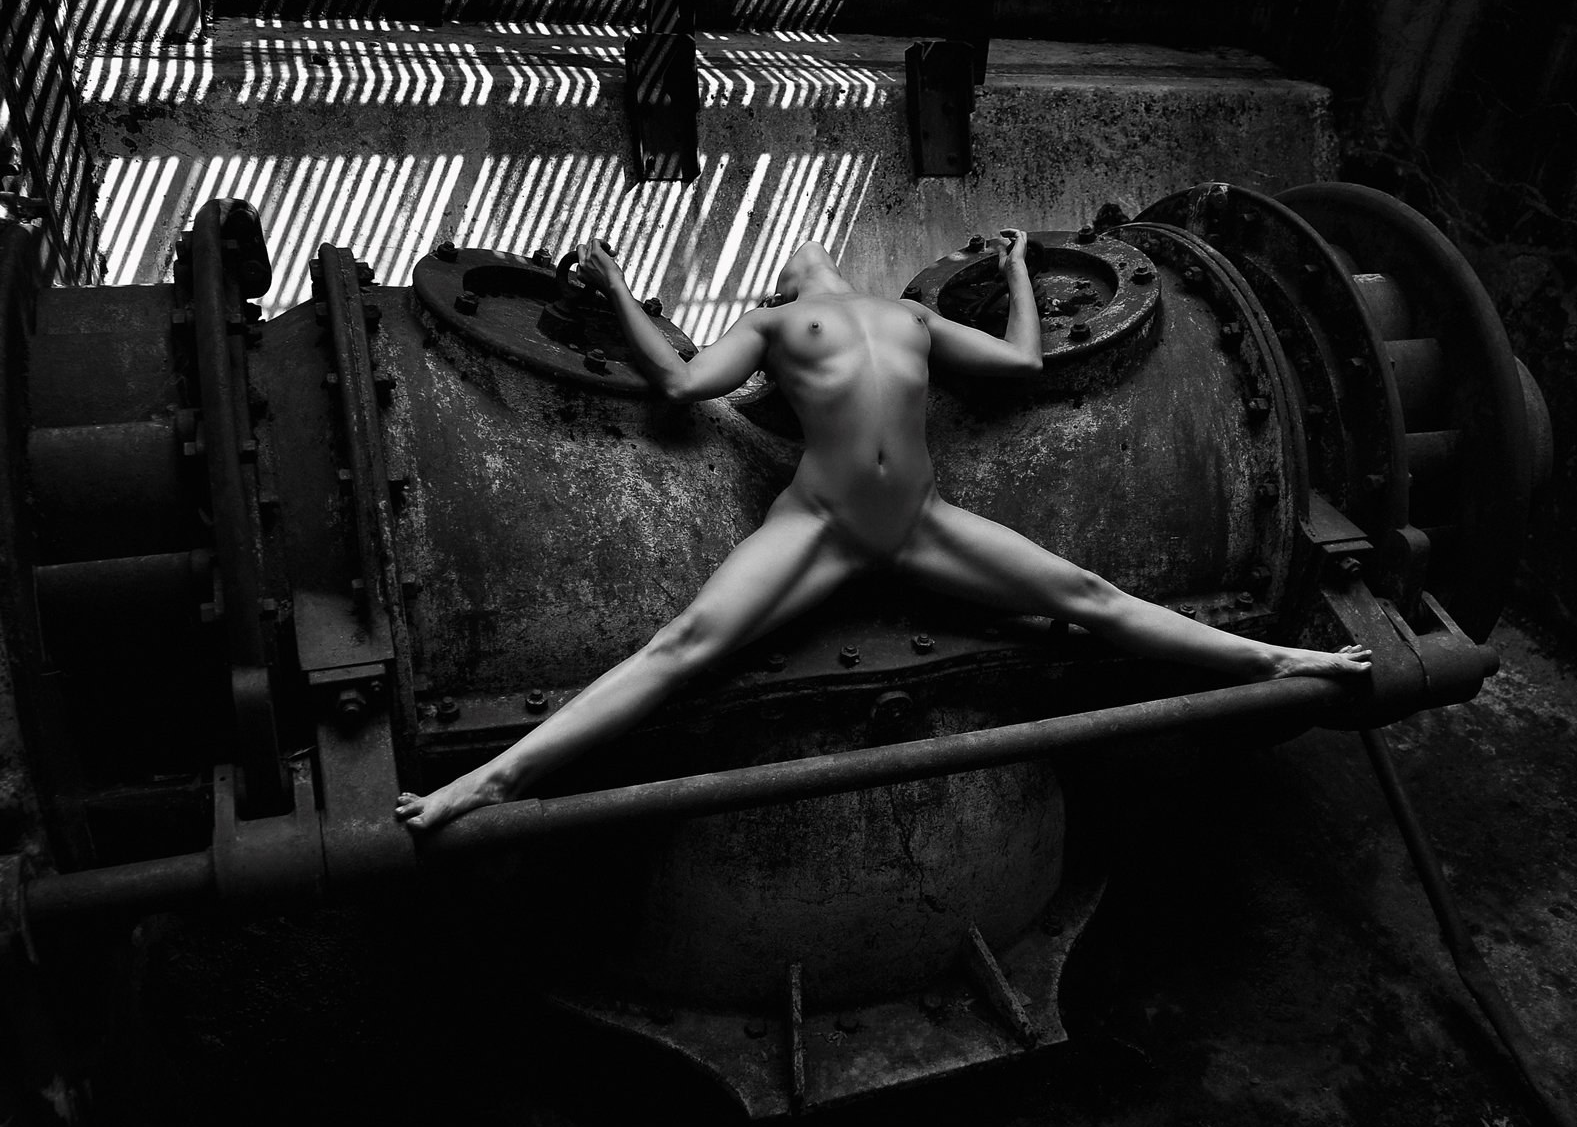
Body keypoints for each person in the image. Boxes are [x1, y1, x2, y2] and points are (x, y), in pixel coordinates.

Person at [395, 230, 1369, 831]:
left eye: (802, 255)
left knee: (1090, 598)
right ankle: (491, 782)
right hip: (820, 527)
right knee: (681, 648)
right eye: (796, 262)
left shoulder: (896, 320)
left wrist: (1018, 267)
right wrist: (611, 288)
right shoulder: (783, 325)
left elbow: (1021, 363)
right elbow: (688, 385)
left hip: (916, 527)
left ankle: (1280, 662)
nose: (802, 258)